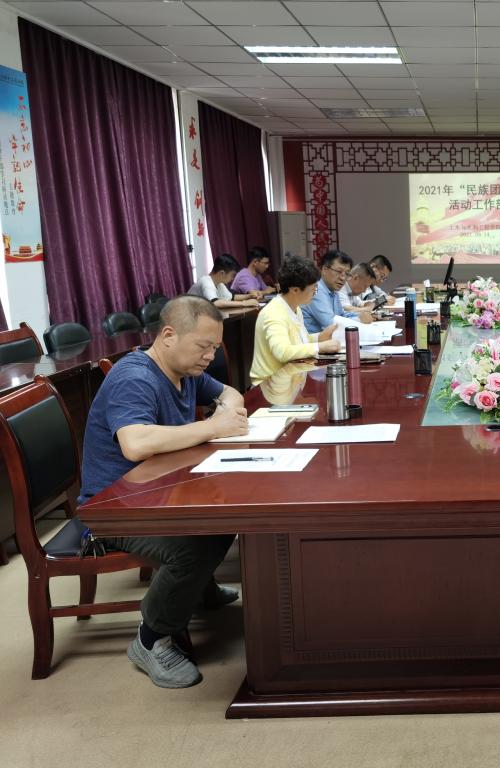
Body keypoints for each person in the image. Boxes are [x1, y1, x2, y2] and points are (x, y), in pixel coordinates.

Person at [79, 295, 250, 688]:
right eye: (203, 346)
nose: (210, 356)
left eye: (215, 348)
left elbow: (230, 393)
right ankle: (150, 637)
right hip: (113, 507)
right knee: (195, 546)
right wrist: (213, 427)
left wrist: (225, 411)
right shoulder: (135, 378)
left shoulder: (186, 371)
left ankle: (197, 589)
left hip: (159, 491)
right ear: (169, 335)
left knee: (226, 512)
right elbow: (136, 444)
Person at [250, 254, 342, 384]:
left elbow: (297, 340)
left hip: (290, 379)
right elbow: (283, 352)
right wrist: (319, 347)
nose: (315, 293)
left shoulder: (295, 307)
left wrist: (319, 337)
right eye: (313, 289)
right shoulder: (274, 314)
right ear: (295, 290)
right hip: (270, 384)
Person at [302, 250, 373, 334]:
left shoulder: (333, 291)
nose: (343, 278)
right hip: (315, 340)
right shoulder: (316, 290)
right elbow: (330, 324)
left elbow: (341, 315)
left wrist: (361, 315)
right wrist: (359, 319)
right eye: (339, 272)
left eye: (347, 274)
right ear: (324, 269)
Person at [187, 254, 259, 310]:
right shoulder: (206, 281)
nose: (233, 278)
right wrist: (244, 303)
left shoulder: (219, 284)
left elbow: (231, 297)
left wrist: (250, 296)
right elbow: (216, 303)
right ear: (222, 273)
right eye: (233, 275)